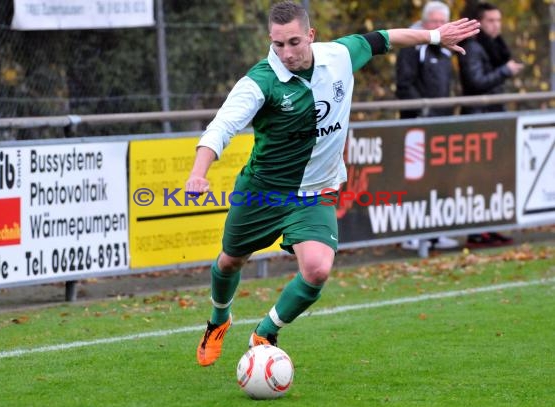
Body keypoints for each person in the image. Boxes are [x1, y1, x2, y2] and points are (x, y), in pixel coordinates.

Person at [186, 0, 480, 367]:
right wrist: (199, 172)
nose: (286, 53)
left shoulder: (338, 55)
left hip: (316, 191)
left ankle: (265, 331)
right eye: (278, 44)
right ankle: (218, 321)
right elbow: (220, 127)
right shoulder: (260, 82)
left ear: (311, 35)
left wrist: (435, 35)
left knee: (318, 269)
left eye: (294, 42)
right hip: (264, 191)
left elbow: (384, 38)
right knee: (230, 261)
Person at [396, 1, 459, 252]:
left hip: (440, 127)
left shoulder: (446, 50)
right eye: (433, 22)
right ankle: (411, 234)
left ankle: (435, 234)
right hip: (416, 129)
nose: (437, 27)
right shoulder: (412, 49)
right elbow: (404, 85)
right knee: (415, 181)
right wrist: (423, 113)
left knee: (439, 180)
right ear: (424, 23)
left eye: (442, 22)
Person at [458, 2, 523, 247]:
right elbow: (475, 82)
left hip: (494, 118)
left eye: (499, 20)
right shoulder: (473, 47)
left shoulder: (495, 45)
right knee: (479, 177)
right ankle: (477, 231)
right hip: (478, 120)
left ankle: (491, 226)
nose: (496, 25)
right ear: (479, 22)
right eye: (491, 20)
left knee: (495, 175)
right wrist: (505, 71)